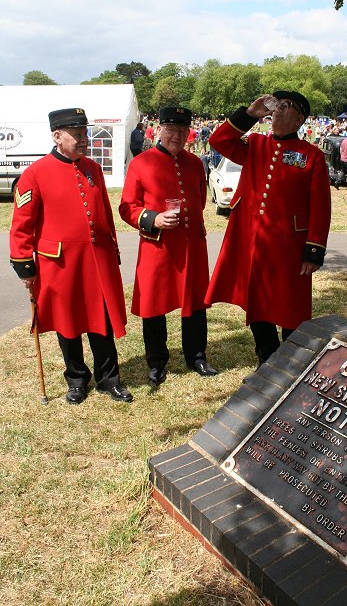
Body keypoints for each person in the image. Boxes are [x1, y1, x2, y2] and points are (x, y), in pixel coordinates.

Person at [9, 108, 132, 404]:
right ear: (57, 136)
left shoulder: (92, 167)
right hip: (59, 264)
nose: (84, 139)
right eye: (77, 134)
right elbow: (21, 225)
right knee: (67, 322)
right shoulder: (34, 174)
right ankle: (76, 379)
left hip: (96, 263)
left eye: (85, 133)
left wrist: (112, 247)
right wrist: (25, 266)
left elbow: (102, 211)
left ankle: (109, 379)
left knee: (101, 320)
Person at [205, 91, 331, 368]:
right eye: (277, 105)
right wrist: (249, 114)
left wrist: (314, 250)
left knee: (291, 308)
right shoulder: (255, 144)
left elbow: (320, 207)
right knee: (257, 304)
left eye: (286, 107)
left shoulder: (311, 155)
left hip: (290, 247)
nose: (277, 110)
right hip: (253, 242)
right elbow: (218, 141)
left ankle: (294, 363)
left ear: (299, 119)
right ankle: (267, 360)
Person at [119, 106, 218, 388]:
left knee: (195, 304)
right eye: (171, 130)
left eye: (182, 131)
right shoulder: (141, 163)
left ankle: (196, 356)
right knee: (154, 306)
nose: (177, 135)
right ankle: (156, 362)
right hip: (157, 246)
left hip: (190, 246)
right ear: (159, 129)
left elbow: (199, 201)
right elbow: (127, 207)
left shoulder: (196, 163)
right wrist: (154, 218)